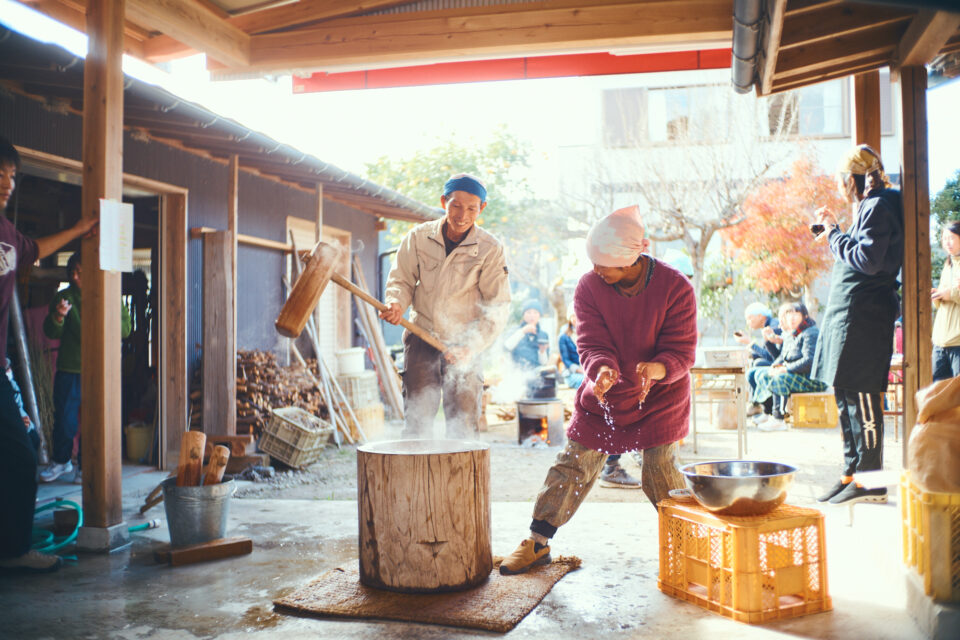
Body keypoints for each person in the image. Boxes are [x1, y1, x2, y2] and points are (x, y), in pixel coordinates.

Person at [500, 205, 697, 575]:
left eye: (603, 264)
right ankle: (538, 542)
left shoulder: (675, 287)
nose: (595, 271)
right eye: (593, 262)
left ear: (630, 259)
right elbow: (589, 342)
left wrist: (658, 368)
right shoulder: (590, 286)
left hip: (660, 396)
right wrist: (601, 369)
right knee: (573, 462)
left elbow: (683, 350)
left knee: (660, 471)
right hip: (605, 395)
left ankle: (690, 545)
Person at [0, 136, 98, 573]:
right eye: (0, 173)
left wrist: (81, 229)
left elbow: (37, 248)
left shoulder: (8, 235)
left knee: (23, 452)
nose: (7, 183)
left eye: (12, 175)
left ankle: (14, 550)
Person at [380, 173, 511, 438]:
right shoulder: (418, 237)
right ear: (444, 202)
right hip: (421, 337)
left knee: (462, 425)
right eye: (456, 206)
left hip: (465, 344)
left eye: (471, 208)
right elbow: (401, 280)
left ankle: (459, 479)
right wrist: (395, 303)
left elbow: (497, 306)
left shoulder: (490, 249)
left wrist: (471, 346)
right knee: (417, 422)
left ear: (481, 208)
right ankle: (416, 477)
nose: (462, 215)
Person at [812, 144, 903, 506]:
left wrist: (834, 232)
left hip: (864, 319)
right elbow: (861, 253)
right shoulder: (870, 206)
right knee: (846, 393)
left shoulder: (880, 205)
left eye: (842, 179)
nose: (840, 185)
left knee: (862, 397)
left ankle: (871, 480)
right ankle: (853, 473)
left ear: (855, 178)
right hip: (851, 316)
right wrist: (835, 232)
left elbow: (866, 259)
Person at [39, 251, 131, 483]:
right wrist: (59, 317)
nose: (77, 277)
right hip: (70, 368)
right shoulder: (64, 297)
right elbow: (51, 332)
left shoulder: (109, 294)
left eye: (82, 272)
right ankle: (61, 461)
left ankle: (86, 466)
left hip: (100, 369)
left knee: (95, 421)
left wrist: (106, 322)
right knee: (64, 419)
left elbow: (126, 329)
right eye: (73, 273)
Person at [557, 307, 641, 488]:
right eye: (574, 315)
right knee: (604, 400)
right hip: (576, 373)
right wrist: (591, 370)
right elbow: (568, 362)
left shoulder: (600, 331)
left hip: (601, 374)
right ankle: (612, 465)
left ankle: (627, 454)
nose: (577, 319)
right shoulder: (564, 336)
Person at [752, 302, 827, 431]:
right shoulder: (794, 332)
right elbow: (783, 356)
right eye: (788, 315)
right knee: (764, 374)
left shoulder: (811, 332)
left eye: (796, 314)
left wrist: (785, 369)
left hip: (813, 378)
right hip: (799, 374)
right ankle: (769, 413)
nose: (791, 318)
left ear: (804, 316)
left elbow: (809, 361)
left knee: (780, 379)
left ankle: (779, 419)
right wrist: (775, 367)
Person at [735, 302, 782, 416]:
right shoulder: (767, 325)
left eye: (750, 318)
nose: (748, 322)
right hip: (777, 361)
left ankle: (761, 406)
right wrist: (752, 353)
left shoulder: (772, 326)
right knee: (754, 361)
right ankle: (756, 404)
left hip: (781, 363)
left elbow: (771, 356)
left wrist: (750, 343)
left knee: (758, 363)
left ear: (761, 316)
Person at [931, 222, 960, 381]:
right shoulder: (947, 265)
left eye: (951, 238)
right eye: (944, 238)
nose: (947, 242)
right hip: (940, 341)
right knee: (938, 393)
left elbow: (953, 294)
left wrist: (951, 294)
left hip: (958, 342)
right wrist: (938, 296)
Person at [505, 298, 549, 372]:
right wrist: (523, 331)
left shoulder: (543, 335)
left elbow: (544, 363)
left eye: (535, 312)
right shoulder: (515, 330)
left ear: (539, 316)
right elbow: (507, 346)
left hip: (536, 373)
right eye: (529, 312)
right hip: (518, 371)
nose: (532, 316)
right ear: (523, 315)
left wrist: (542, 351)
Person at [5, 358, 39, 453]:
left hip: (22, 426)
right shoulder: (6, 386)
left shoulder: (12, 384)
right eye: (6, 369)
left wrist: (26, 426)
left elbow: (19, 408)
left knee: (33, 438)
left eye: (9, 368)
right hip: (12, 429)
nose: (9, 371)